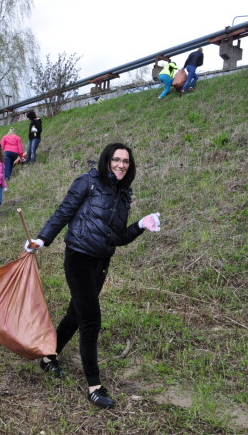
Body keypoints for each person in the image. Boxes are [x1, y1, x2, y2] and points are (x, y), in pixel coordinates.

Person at [24, 143, 161, 409]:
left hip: (101, 262)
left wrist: (141, 225)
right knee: (90, 321)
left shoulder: (123, 195)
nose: (121, 165)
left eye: (126, 161)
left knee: (76, 314)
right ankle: (94, 386)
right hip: (78, 257)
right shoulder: (88, 181)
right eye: (116, 159)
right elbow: (64, 211)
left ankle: (48, 357)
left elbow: (118, 237)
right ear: (106, 160)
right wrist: (43, 239)